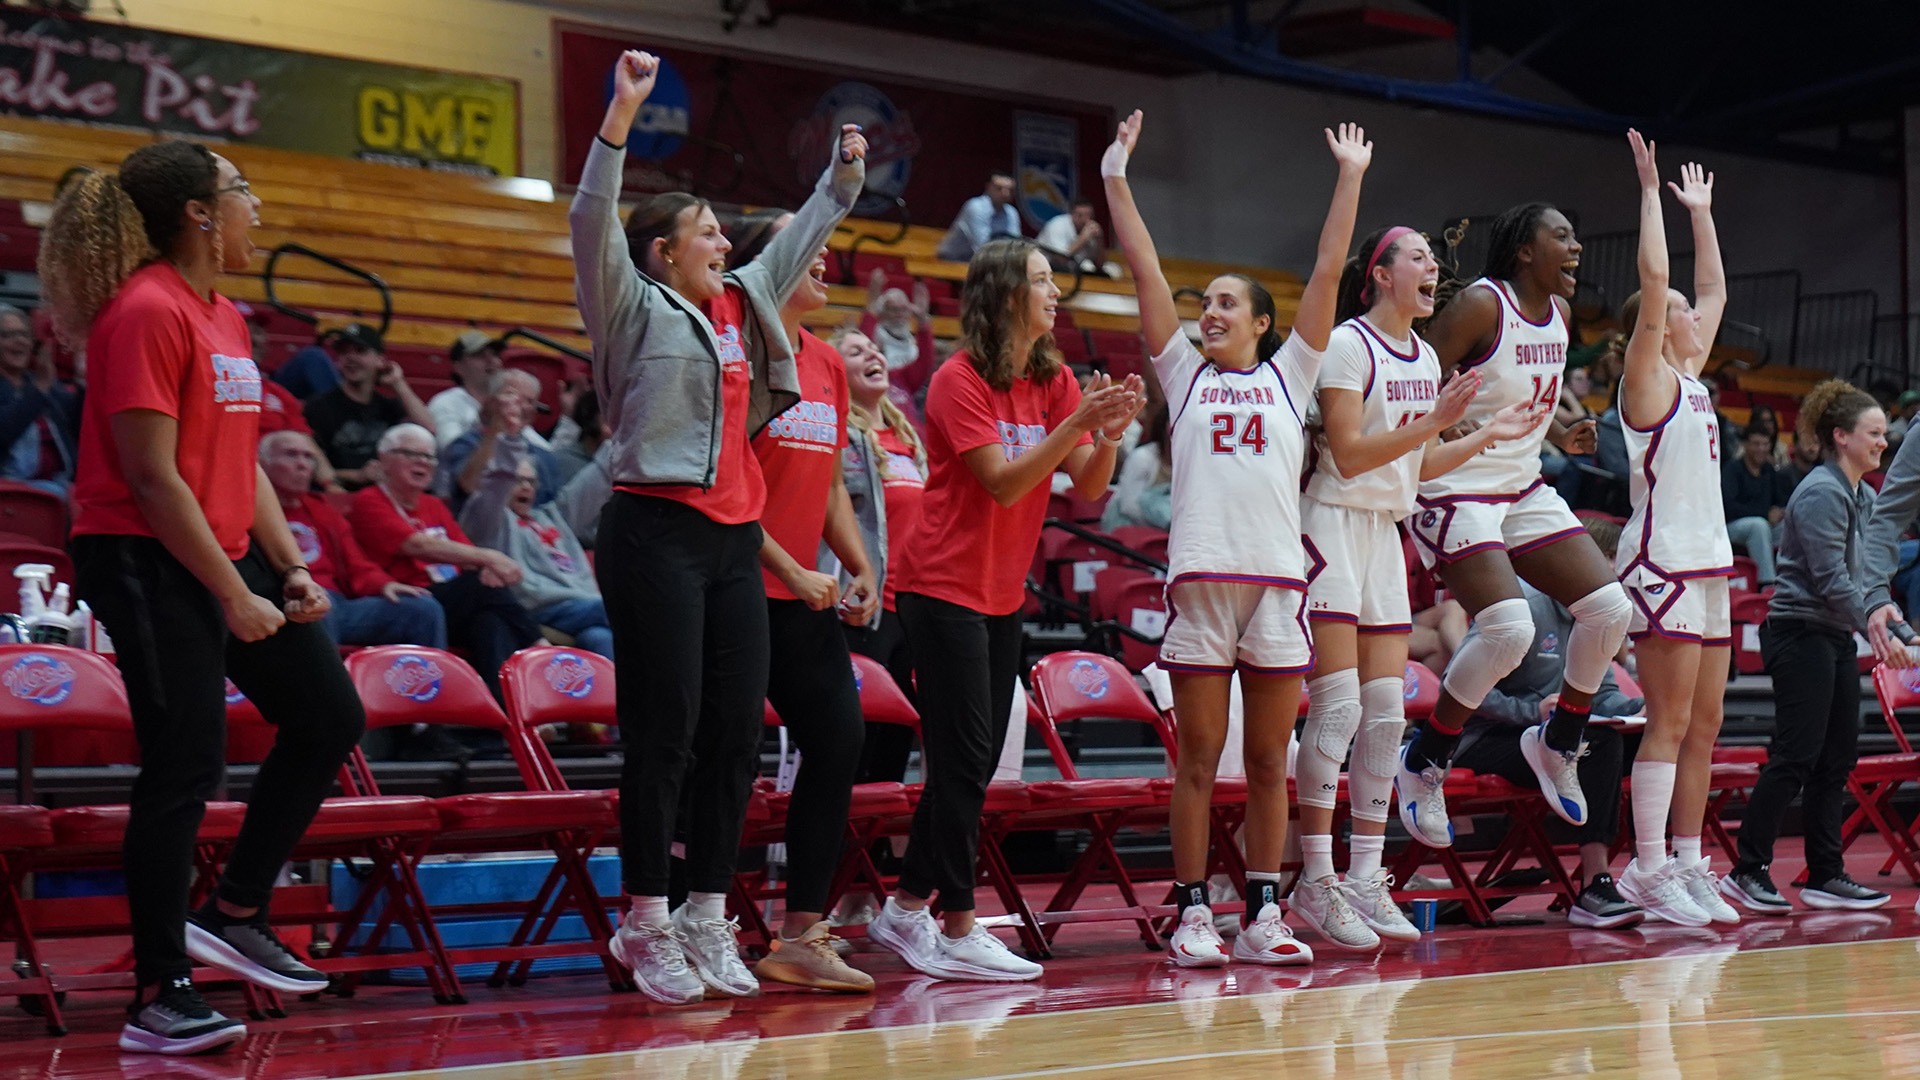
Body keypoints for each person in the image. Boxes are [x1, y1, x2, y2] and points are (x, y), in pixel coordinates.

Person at [42, 141, 363, 1054]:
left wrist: (289, 563)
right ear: (196, 211)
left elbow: (238, 455)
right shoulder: (143, 312)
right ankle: (158, 994)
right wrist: (232, 595)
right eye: (242, 192)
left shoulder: (224, 313)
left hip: (218, 552)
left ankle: (232, 909)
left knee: (327, 716)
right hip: (143, 557)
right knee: (185, 762)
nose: (255, 208)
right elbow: (149, 478)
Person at [571, 51, 868, 1005]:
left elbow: (797, 241)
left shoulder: (743, 305)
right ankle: (646, 923)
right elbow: (588, 221)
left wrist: (839, 181)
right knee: (667, 734)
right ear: (664, 252)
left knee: (738, 732)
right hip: (652, 532)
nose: (719, 242)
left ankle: (707, 913)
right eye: (704, 231)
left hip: (731, 541)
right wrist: (620, 115)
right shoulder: (628, 304)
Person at [1101, 110, 1366, 969]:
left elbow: (1329, 268)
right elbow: (1143, 264)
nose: (1207, 313)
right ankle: (1188, 913)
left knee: (1266, 765)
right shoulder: (1180, 375)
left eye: (1224, 303)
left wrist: (1350, 177)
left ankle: (1261, 912)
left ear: (1261, 322)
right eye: (1203, 303)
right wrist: (1115, 177)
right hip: (1203, 587)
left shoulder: (1293, 377)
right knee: (1199, 764)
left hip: (1278, 591)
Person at [866, 227, 1140, 977]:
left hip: (998, 592)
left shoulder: (1053, 379)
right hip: (940, 585)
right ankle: (954, 925)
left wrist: (1106, 433)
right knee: (960, 758)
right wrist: (1079, 426)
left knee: (976, 761)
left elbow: (1086, 484)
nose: (1057, 292)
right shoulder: (957, 379)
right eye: (1044, 278)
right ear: (1007, 294)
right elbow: (1007, 481)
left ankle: (904, 908)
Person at [1291, 215, 1546, 953]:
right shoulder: (1347, 343)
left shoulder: (1423, 362)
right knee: (1336, 714)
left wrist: (1482, 437)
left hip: (1384, 534)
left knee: (1383, 716)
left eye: (1433, 259)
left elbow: (1415, 466)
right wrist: (1435, 421)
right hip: (1334, 524)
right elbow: (1350, 452)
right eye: (1418, 257)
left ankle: (1365, 877)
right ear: (1379, 274)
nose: (1433, 267)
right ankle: (1316, 878)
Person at [1397, 199, 1634, 851]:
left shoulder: (1558, 315)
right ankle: (1424, 760)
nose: (1576, 246)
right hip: (1453, 483)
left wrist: (1566, 431)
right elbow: (1417, 371)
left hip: (1522, 484)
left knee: (1611, 611)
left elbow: (1536, 393)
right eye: (1562, 235)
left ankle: (1558, 741)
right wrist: (1444, 416)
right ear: (1525, 251)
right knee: (1508, 629)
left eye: (1575, 234)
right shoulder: (1481, 304)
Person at [722, 210, 882, 992]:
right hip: (733, 586)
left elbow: (824, 483)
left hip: (800, 590)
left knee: (839, 738)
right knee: (715, 756)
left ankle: (800, 933)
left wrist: (859, 564)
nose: (823, 257)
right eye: (804, 245)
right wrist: (792, 569)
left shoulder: (826, 361)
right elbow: (728, 489)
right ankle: (694, 920)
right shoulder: (738, 356)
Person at [1608, 133, 1739, 927]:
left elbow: (1712, 285)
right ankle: (1646, 868)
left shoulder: (1692, 380)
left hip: (1708, 562)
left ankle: (1688, 860)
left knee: (1707, 723)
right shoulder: (1649, 379)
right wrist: (1652, 192)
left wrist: (1704, 214)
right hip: (1661, 561)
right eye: (1681, 315)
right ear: (1656, 330)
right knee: (1669, 720)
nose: (1695, 315)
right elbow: (1660, 282)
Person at [1722, 380, 1897, 914]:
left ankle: (1825, 874)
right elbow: (1831, 581)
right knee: (1797, 754)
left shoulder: (1862, 495)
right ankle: (1746, 870)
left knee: (1837, 757)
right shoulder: (1821, 491)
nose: (1883, 444)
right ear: (1840, 437)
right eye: (1875, 434)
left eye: (1885, 435)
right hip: (1798, 635)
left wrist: (1894, 623)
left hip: (1832, 636)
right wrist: (1877, 627)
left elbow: (1866, 577)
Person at [1452, 578, 1646, 930]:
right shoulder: (1521, 607)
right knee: (1601, 745)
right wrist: (1531, 712)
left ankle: (1650, 872)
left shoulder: (1599, 618)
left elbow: (1603, 695)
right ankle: (1595, 885)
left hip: (1558, 740)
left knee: (1651, 741)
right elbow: (1458, 684)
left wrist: (1641, 707)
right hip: (1484, 740)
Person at [349, 423, 544, 703]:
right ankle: (538, 645)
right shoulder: (368, 501)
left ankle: (497, 726)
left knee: (490, 622)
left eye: (429, 457)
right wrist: (490, 557)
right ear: (384, 460)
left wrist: (485, 566)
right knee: (478, 587)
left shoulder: (433, 505)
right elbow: (418, 545)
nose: (422, 462)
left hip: (449, 599)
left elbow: (464, 553)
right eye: (410, 454)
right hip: (409, 600)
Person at [834, 327, 928, 785]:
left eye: (873, 348)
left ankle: (879, 856)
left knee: (893, 752)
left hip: (911, 610)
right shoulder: (840, 437)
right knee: (853, 747)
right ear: (836, 372)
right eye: (855, 351)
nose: (872, 352)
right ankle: (835, 853)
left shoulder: (907, 437)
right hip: (863, 609)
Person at [260, 431, 445, 650]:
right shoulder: (251, 512)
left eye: (308, 457)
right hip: (286, 603)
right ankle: (325, 685)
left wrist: (384, 584)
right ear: (262, 464)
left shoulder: (323, 511)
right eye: (291, 455)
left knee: (423, 609)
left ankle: (433, 683)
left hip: (339, 605)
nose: (303, 465)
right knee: (316, 606)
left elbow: (356, 563)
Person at [458, 425, 610, 658]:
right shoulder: (491, 523)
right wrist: (507, 447)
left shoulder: (554, 516)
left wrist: (618, 441)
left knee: (599, 638)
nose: (526, 487)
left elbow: (596, 481)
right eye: (517, 480)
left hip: (585, 608)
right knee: (621, 608)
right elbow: (491, 493)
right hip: (539, 608)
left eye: (531, 481)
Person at [303, 324, 435, 487]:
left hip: (387, 496)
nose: (350, 358)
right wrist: (357, 475)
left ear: (380, 360)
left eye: (360, 351)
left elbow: (429, 430)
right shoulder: (318, 407)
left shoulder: (389, 406)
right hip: (339, 495)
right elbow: (311, 467)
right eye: (344, 352)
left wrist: (399, 384)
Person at [436, 368, 560, 512]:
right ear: (490, 401)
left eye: (529, 401)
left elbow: (553, 515)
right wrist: (497, 427)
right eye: (511, 395)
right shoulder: (465, 443)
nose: (520, 406)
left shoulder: (546, 458)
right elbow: (468, 485)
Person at [0, 302, 79, 494]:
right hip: (13, 489)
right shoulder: (40, 384)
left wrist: (84, 383)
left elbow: (78, 424)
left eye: (24, 334)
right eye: (8, 335)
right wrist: (39, 390)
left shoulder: (40, 383)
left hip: (60, 483)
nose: (20, 341)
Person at [859, 271, 936, 421]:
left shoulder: (901, 376)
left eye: (903, 309)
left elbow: (924, 365)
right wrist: (871, 309)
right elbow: (863, 355)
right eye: (894, 309)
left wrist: (922, 322)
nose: (899, 315)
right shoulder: (872, 337)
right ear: (882, 312)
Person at [1723, 428, 1793, 587]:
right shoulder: (1732, 470)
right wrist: (1765, 515)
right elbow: (1729, 508)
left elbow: (1781, 500)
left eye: (1765, 444)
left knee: (1791, 524)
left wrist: (1780, 511)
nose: (1761, 449)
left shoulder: (1769, 470)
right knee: (1758, 525)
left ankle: (1793, 582)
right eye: (1756, 444)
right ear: (1746, 445)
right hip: (1732, 527)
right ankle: (1767, 584)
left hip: (1764, 526)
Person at [426, 329, 504, 449]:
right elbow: (454, 450)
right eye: (479, 355)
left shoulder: (507, 403)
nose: (491, 361)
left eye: (494, 354)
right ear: (458, 367)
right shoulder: (445, 403)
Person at [1101, 400, 1172, 532]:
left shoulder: (1191, 462)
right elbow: (1128, 505)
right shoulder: (1142, 457)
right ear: (1166, 426)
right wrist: (1164, 523)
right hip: (1127, 526)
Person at [936, 171, 1021, 262]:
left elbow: (1015, 246)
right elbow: (982, 248)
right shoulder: (976, 207)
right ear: (988, 187)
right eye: (999, 188)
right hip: (952, 260)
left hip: (980, 261)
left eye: (1010, 190)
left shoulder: (1011, 212)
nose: (1005, 194)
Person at [1036, 198, 1107, 275]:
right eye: (1080, 215)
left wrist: (1100, 240)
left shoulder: (1092, 230)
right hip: (1045, 268)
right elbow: (1060, 259)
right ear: (1071, 215)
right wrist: (1083, 238)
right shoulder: (1057, 225)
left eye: (1089, 215)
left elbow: (1099, 265)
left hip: (1074, 271)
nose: (1085, 220)